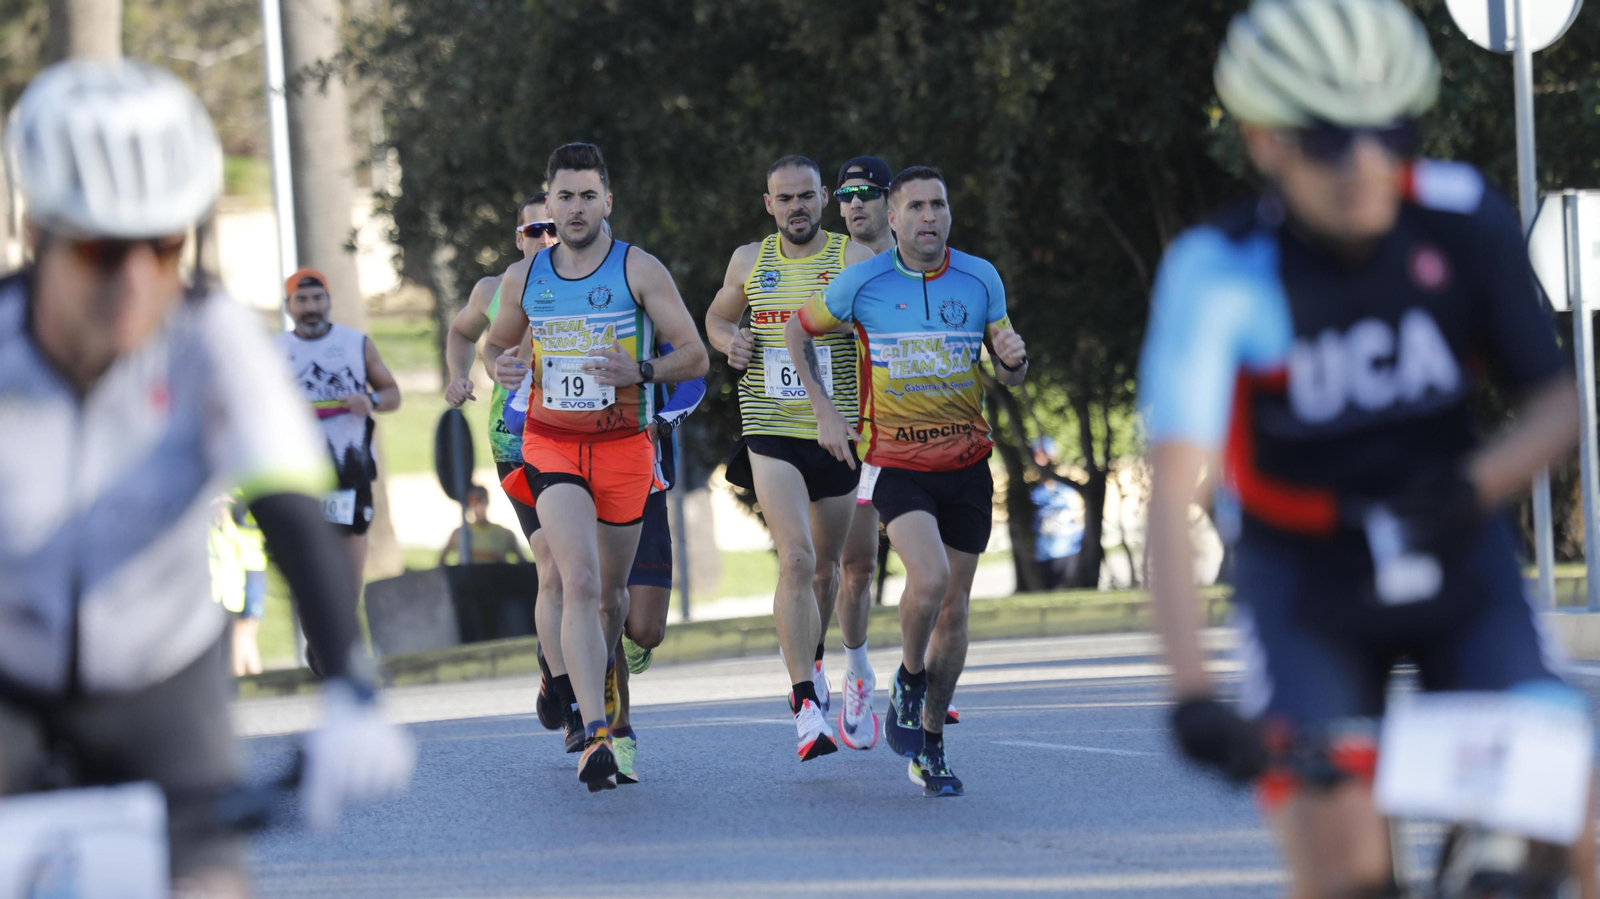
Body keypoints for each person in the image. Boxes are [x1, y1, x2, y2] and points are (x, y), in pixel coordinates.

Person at [1138, 1, 1594, 896]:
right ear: (1266, 142)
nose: (1367, 164)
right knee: (1344, 869)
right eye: (1328, 141)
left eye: (1393, 132)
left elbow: (1556, 404)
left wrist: (1477, 483)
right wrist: (1191, 693)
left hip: (1459, 560)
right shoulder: (1220, 269)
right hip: (1307, 587)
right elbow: (1172, 487)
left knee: (1566, 820)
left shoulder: (1462, 218)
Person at [0, 59, 412, 897]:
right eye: (102, 249)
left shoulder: (211, 335)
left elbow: (287, 497)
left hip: (161, 683)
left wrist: (348, 683)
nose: (137, 279)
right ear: (38, 232)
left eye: (164, 245)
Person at [787, 165, 1028, 796]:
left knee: (955, 611)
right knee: (932, 578)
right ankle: (910, 677)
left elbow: (1008, 365)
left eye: (938, 205)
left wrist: (1014, 362)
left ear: (950, 214)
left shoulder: (981, 278)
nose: (929, 217)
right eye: (916, 207)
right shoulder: (863, 281)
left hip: (968, 464)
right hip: (895, 462)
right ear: (892, 219)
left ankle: (931, 747)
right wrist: (824, 409)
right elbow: (795, 329)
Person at [485, 142, 708, 792]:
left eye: (588, 195)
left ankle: (592, 695)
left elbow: (693, 355)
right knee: (576, 580)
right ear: (548, 204)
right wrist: (499, 365)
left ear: (607, 200)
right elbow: (497, 346)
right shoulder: (527, 279)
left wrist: (640, 369)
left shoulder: (638, 270)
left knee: (611, 597)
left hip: (623, 450)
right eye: (565, 196)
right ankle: (594, 733)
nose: (576, 207)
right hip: (551, 447)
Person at [705, 155, 874, 761]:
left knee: (825, 568)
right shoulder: (749, 261)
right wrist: (731, 340)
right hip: (771, 431)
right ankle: (804, 702)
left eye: (807, 196)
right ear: (768, 204)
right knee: (796, 558)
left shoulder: (851, 260)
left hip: (838, 436)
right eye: (785, 198)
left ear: (823, 198)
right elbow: (718, 317)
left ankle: (817, 659)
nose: (797, 206)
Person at [502, 335, 706, 784]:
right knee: (587, 594)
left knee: (644, 628)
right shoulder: (551, 325)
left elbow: (694, 379)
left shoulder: (642, 311)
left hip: (642, 481)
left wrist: (660, 422)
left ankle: (579, 655)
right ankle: (613, 731)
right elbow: (512, 414)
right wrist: (567, 418)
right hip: (576, 481)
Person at [276, 266, 402, 590]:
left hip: (349, 471)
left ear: (328, 300)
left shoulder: (355, 343)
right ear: (288, 304)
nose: (311, 308)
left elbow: (392, 394)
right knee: (309, 575)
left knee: (347, 573)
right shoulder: (273, 352)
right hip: (295, 475)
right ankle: (315, 640)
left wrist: (370, 400)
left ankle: (338, 636)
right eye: (301, 300)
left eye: (317, 298)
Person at [831, 155, 897, 748]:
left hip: (923, 432)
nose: (854, 204)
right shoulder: (830, 265)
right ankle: (857, 673)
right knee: (858, 567)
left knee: (942, 567)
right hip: (856, 437)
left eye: (866, 193)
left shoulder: (925, 263)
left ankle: (922, 678)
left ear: (890, 203)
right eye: (845, 195)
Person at [1029, 437, 1085, 590]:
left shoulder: (1067, 489)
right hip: (1043, 553)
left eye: (1042, 453)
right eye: (1035, 454)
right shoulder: (1033, 491)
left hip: (1068, 549)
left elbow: (1079, 514)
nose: (1038, 458)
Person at [439, 485, 527, 565]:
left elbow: (523, 564)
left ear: (487, 501)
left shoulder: (505, 534)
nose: (478, 506)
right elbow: (441, 562)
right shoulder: (459, 533)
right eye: (472, 502)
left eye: (480, 500)